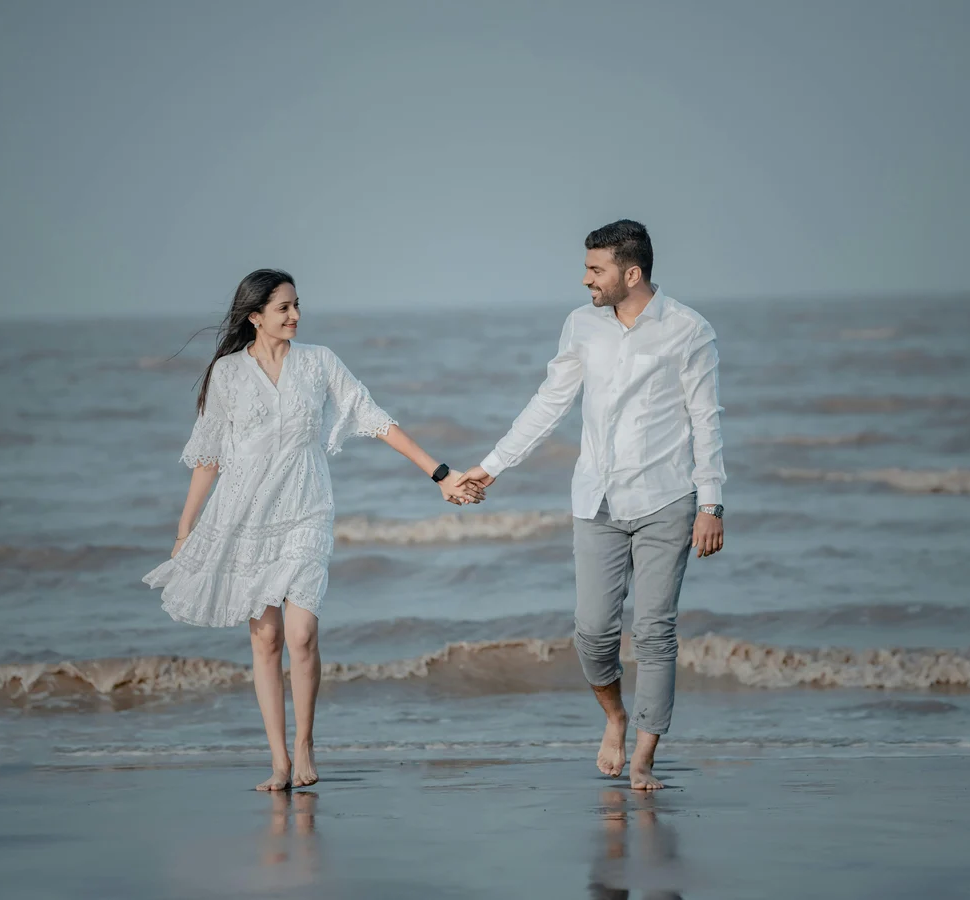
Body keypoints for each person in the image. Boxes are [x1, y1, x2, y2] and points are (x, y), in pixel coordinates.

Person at [143, 269, 483, 791]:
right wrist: (185, 529)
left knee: (301, 634)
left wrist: (438, 473)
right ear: (255, 317)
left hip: (306, 508)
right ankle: (278, 760)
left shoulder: (320, 363)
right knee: (267, 638)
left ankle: (305, 742)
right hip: (246, 514)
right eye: (282, 308)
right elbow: (208, 459)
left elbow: (375, 418)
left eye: (297, 305)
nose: (295, 315)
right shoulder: (229, 375)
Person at [458, 221, 725, 790]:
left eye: (595, 270)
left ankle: (645, 755)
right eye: (587, 269)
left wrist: (712, 503)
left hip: (667, 498)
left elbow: (706, 421)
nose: (586, 281)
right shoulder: (582, 326)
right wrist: (492, 465)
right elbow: (548, 402)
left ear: (632, 273)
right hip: (597, 499)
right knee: (593, 631)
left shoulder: (688, 330)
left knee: (655, 631)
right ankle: (615, 717)